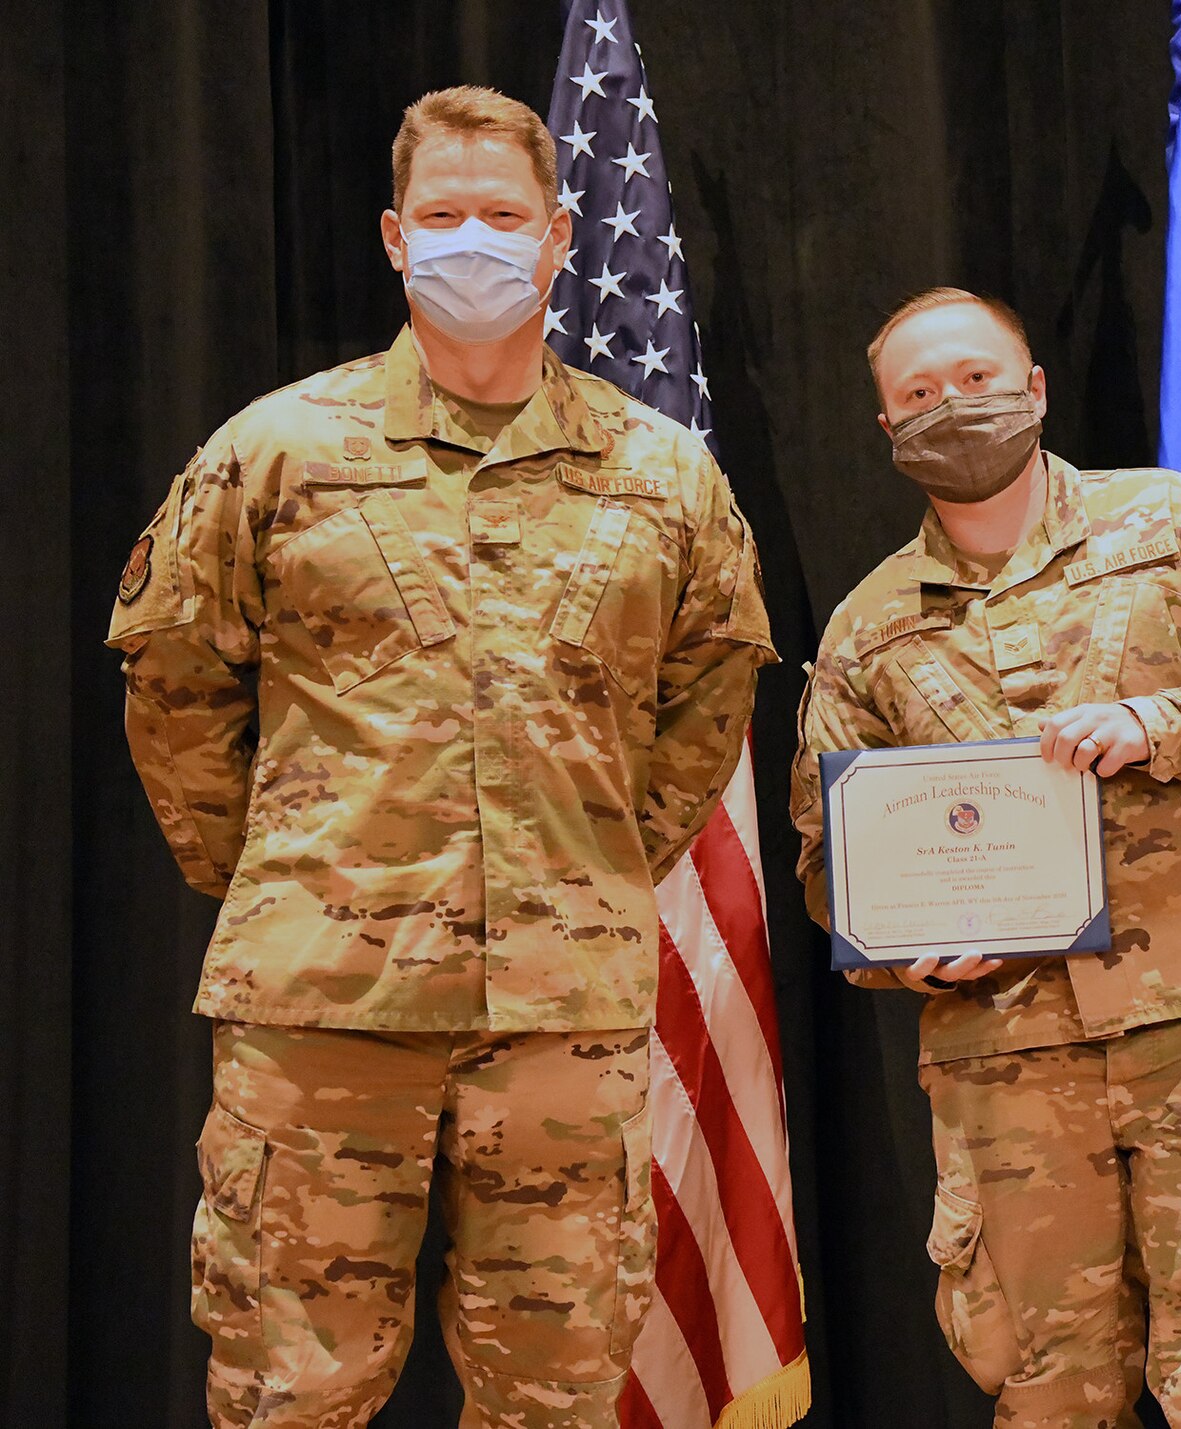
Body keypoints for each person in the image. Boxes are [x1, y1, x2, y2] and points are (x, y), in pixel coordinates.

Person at [105, 85, 775, 1426]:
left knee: (561, 1395)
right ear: (396, 238)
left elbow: (710, 696)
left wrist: (580, 867)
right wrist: (290, 871)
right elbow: (173, 674)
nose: (476, 238)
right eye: (446, 213)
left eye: (504, 214)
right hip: (322, 1018)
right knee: (290, 1390)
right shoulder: (281, 450)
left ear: (560, 234)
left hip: (560, 1021)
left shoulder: (663, 474)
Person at [789, 289, 1181, 1427]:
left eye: (973, 378)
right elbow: (827, 865)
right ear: (884, 429)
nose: (948, 404)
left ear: (1036, 389)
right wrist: (910, 959)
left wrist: (1164, 725)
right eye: (916, 393)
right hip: (1005, 1064)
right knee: (1049, 1395)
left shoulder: (1174, 525)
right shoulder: (863, 631)